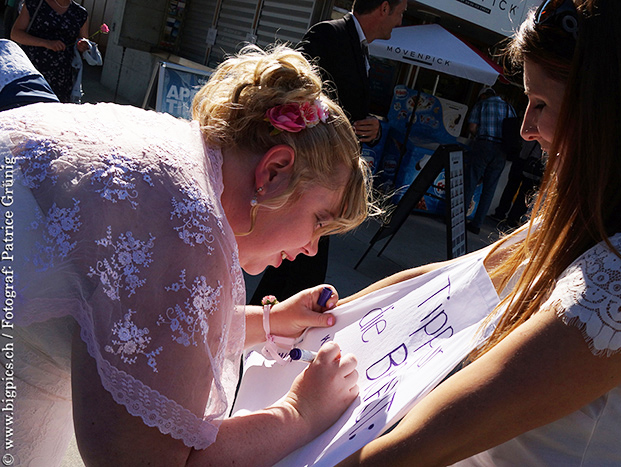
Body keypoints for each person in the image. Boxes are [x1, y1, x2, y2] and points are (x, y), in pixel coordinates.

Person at [336, 0, 621, 465]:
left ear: (616, 110)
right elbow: (447, 280)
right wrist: (311, 320)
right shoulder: (615, 220)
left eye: (542, 103)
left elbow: (423, 445)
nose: (527, 128)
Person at [0, 45, 372, 466]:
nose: (311, 248)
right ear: (273, 171)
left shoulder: (178, 159)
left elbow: (138, 325)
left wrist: (272, 321)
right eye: (319, 220)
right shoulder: (185, 226)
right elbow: (145, 459)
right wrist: (300, 413)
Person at [248, 0, 407, 305]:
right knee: (296, 261)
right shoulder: (329, 34)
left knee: (300, 266)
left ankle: (273, 326)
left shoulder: (360, 49)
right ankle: (267, 326)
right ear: (383, 7)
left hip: (330, 182)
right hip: (310, 177)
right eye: (400, 13)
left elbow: (346, 106)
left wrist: (373, 126)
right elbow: (295, 93)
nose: (400, 23)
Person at [10, 0, 89, 102]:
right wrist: (46, 43)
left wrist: (82, 46)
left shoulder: (80, 13)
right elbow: (15, 34)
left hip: (62, 79)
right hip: (32, 73)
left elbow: (84, 42)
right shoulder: (35, 4)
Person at [464, 86, 517, 235]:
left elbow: (472, 127)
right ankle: (477, 224)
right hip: (501, 150)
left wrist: (479, 134)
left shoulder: (482, 105)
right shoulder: (509, 107)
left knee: (471, 182)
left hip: (484, 144)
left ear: (483, 96)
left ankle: (459, 220)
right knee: (489, 188)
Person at [491, 140, 544, 229]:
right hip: (534, 164)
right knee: (525, 194)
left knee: (511, 187)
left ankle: (501, 213)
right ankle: (513, 219)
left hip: (522, 158)